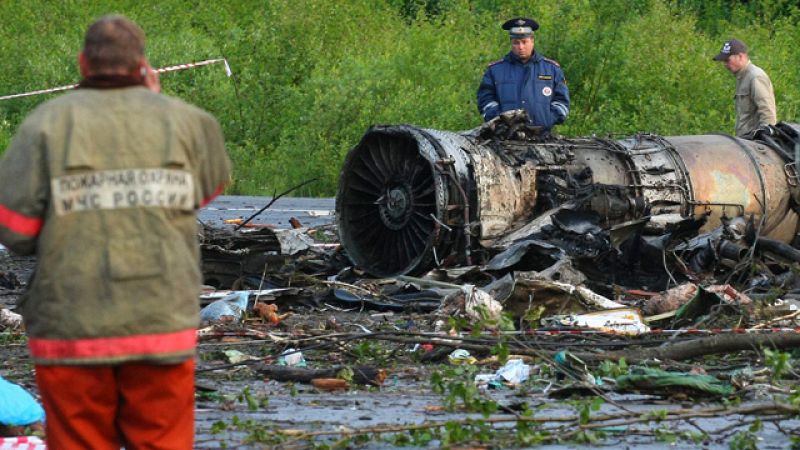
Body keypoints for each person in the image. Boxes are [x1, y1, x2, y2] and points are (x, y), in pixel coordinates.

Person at [0, 15, 231, 449]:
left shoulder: (45, 126)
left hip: (71, 326)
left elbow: (14, 229)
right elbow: (204, 192)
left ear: (83, 64)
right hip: (160, 322)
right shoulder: (192, 123)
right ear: (143, 66)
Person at [477, 17, 570, 132]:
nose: (521, 47)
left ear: (532, 41)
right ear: (511, 42)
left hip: (543, 138)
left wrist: (547, 119)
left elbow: (562, 101)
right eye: (516, 43)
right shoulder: (495, 70)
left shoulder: (552, 69)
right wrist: (499, 120)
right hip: (504, 139)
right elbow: (485, 100)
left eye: (524, 42)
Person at [713, 38, 777, 138]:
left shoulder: (755, 76)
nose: (725, 64)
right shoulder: (742, 77)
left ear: (740, 56)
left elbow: (768, 113)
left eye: (727, 60)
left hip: (755, 144)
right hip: (745, 141)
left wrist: (764, 138)